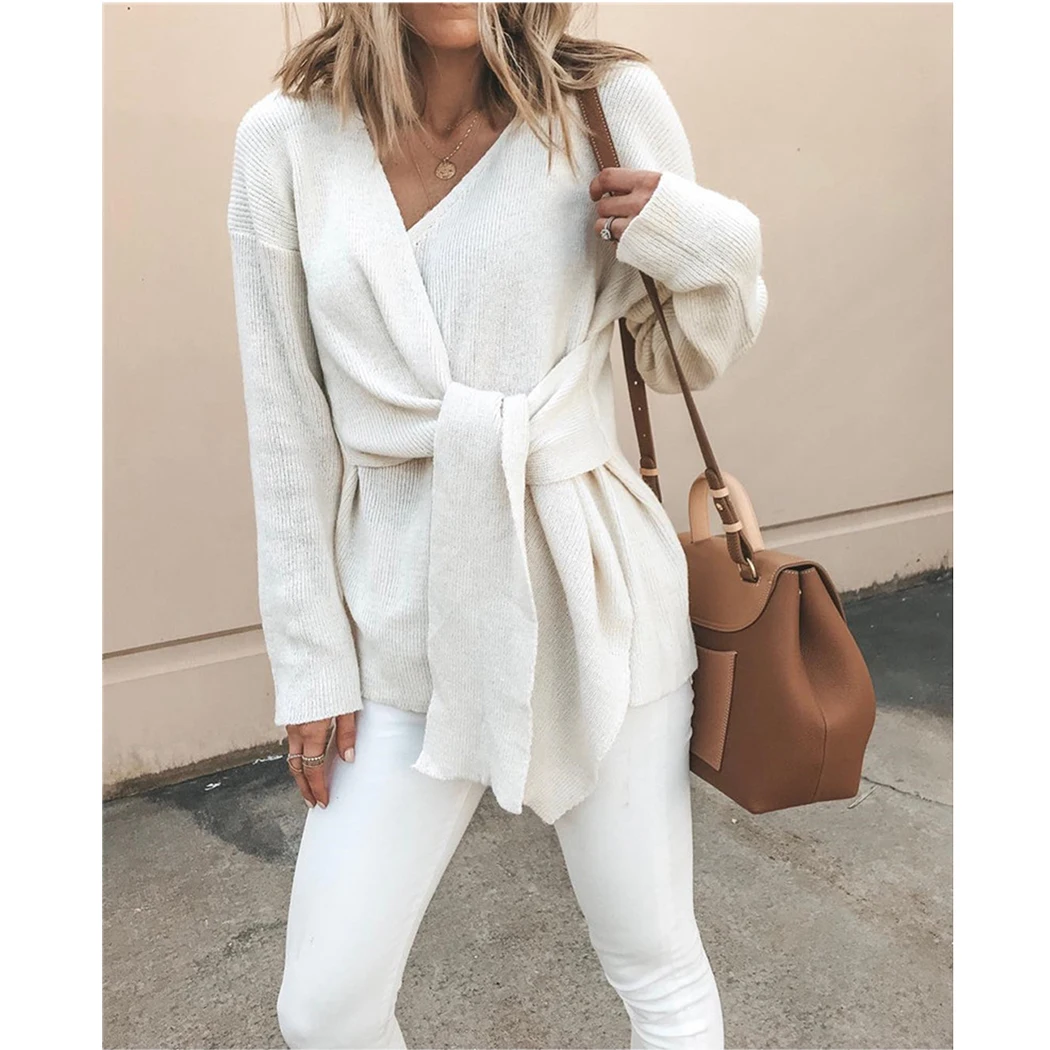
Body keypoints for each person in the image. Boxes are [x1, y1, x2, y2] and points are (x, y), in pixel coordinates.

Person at [226, 4, 767, 1048]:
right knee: (326, 1006)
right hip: (397, 619)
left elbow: (681, 356)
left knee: (655, 960)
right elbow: (285, 422)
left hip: (597, 594)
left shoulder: (604, 103)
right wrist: (310, 661)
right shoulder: (286, 139)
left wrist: (700, 235)